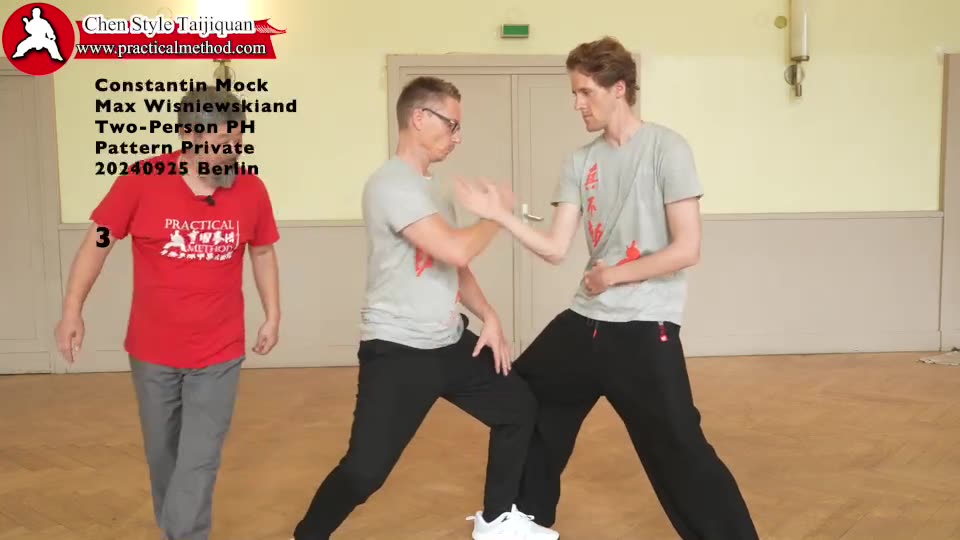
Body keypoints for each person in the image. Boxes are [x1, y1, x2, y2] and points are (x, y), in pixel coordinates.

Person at [455, 37, 760, 540]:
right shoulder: (580, 162)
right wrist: (500, 217)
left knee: (679, 446)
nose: (577, 104)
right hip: (587, 321)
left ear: (619, 88)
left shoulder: (667, 149)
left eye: (585, 92)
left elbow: (687, 248)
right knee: (525, 398)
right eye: (574, 93)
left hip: (645, 326)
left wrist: (613, 275)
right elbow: (556, 248)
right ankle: (521, 521)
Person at [290, 76, 558, 540]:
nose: (457, 137)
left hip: (448, 342)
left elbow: (452, 265)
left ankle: (496, 521)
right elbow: (456, 249)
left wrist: (489, 316)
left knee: (518, 407)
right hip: (399, 351)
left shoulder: (431, 188)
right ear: (419, 118)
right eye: (452, 125)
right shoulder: (390, 184)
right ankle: (308, 535)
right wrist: (497, 216)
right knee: (364, 472)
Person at [54, 88, 281, 540]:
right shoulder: (142, 180)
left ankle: (184, 535)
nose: (229, 153)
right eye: (219, 143)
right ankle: (176, 529)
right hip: (152, 351)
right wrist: (72, 310)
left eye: (236, 142)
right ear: (187, 135)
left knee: (199, 459)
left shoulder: (251, 189)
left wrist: (272, 314)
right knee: (164, 457)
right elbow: (98, 241)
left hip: (219, 352)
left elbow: (262, 252)